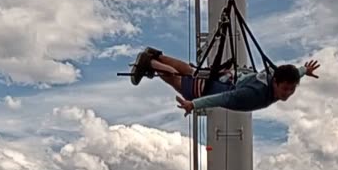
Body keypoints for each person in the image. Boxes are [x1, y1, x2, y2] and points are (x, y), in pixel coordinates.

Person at [130, 47, 319, 114]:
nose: (287, 94)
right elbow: (222, 99)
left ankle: (155, 54)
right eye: (285, 89)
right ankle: (152, 63)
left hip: (226, 76)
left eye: (291, 90)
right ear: (276, 82)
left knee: (190, 70)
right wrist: (193, 104)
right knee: (178, 82)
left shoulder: (278, 74)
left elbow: (293, 74)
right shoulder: (253, 95)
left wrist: (304, 70)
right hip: (213, 88)